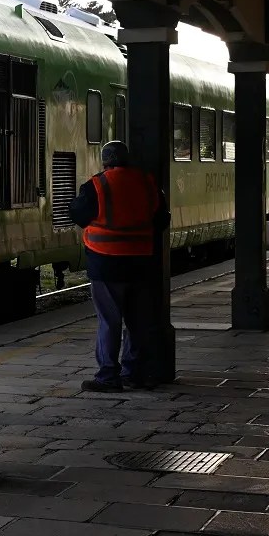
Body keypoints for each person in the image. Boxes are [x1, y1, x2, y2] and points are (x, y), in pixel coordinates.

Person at [69, 140, 170, 392]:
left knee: (109, 322)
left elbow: (77, 214)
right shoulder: (147, 183)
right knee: (137, 322)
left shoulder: (97, 185)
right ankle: (133, 373)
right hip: (141, 263)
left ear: (105, 160)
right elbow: (161, 219)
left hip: (106, 264)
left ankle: (108, 377)